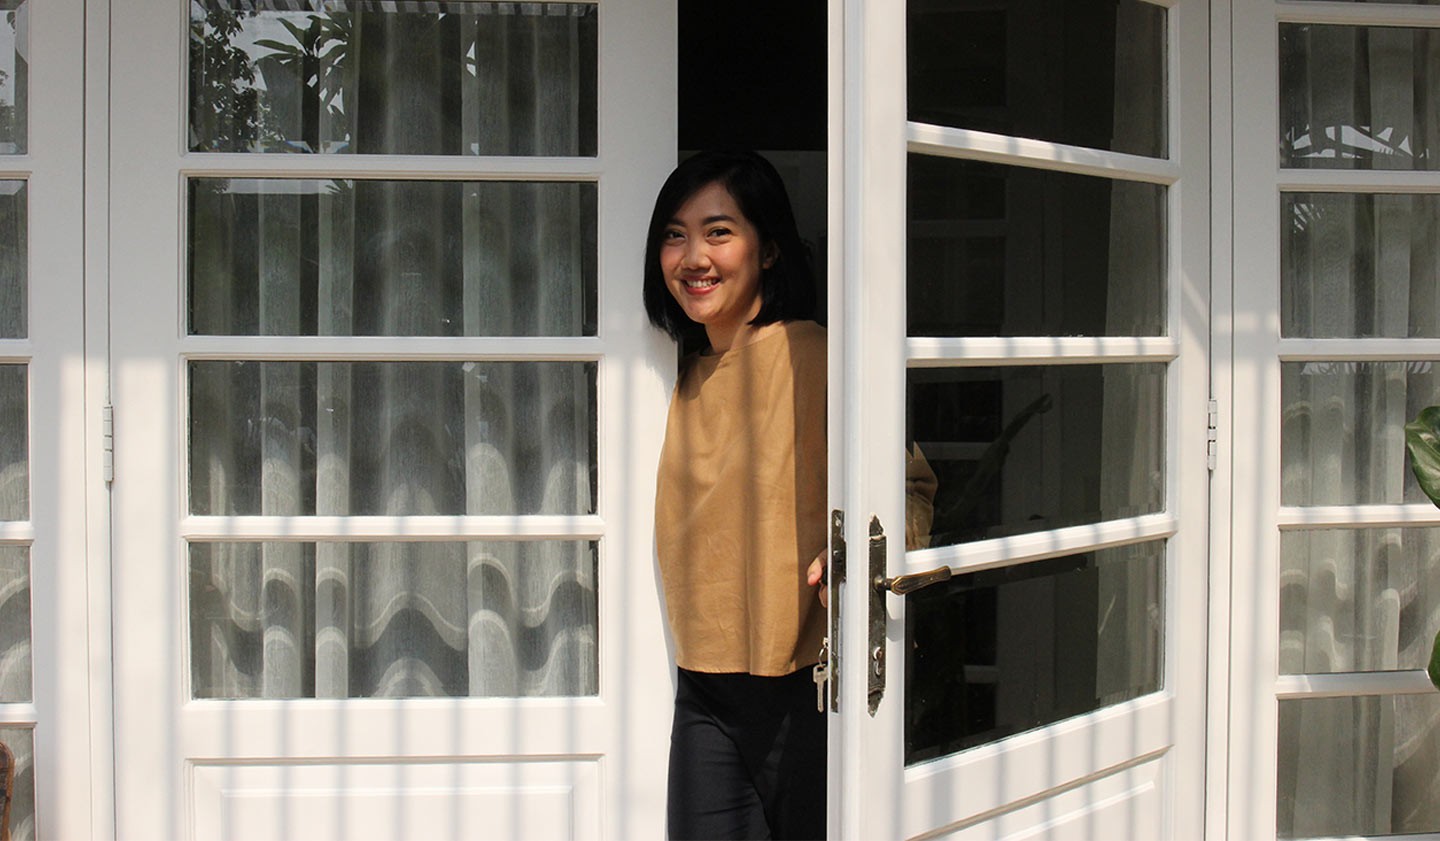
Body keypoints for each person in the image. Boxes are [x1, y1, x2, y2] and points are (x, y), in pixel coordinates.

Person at [644, 150, 828, 840]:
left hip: (805, 689)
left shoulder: (812, 356)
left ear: (769, 249)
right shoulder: (671, 376)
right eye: (674, 234)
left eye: (718, 231)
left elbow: (907, 485)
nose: (694, 256)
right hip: (702, 690)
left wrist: (850, 561)